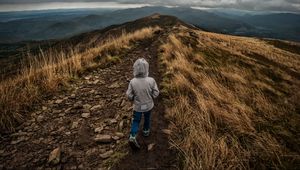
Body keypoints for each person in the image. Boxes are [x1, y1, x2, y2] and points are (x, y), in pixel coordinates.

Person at [126, 58, 159, 149]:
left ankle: (132, 136)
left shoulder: (132, 82)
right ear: (147, 68)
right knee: (147, 118)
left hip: (137, 107)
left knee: (136, 121)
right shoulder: (151, 80)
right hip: (148, 105)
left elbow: (128, 95)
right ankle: (146, 131)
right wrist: (151, 96)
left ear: (135, 68)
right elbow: (156, 93)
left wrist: (133, 98)